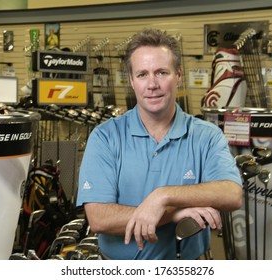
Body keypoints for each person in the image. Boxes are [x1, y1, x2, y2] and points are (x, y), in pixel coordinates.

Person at [77, 28, 243, 260]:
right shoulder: (105, 137)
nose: (152, 84)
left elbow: (232, 193)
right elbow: (99, 218)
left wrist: (162, 196)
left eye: (162, 72)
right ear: (132, 81)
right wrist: (174, 213)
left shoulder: (207, 135)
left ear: (178, 76)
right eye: (142, 74)